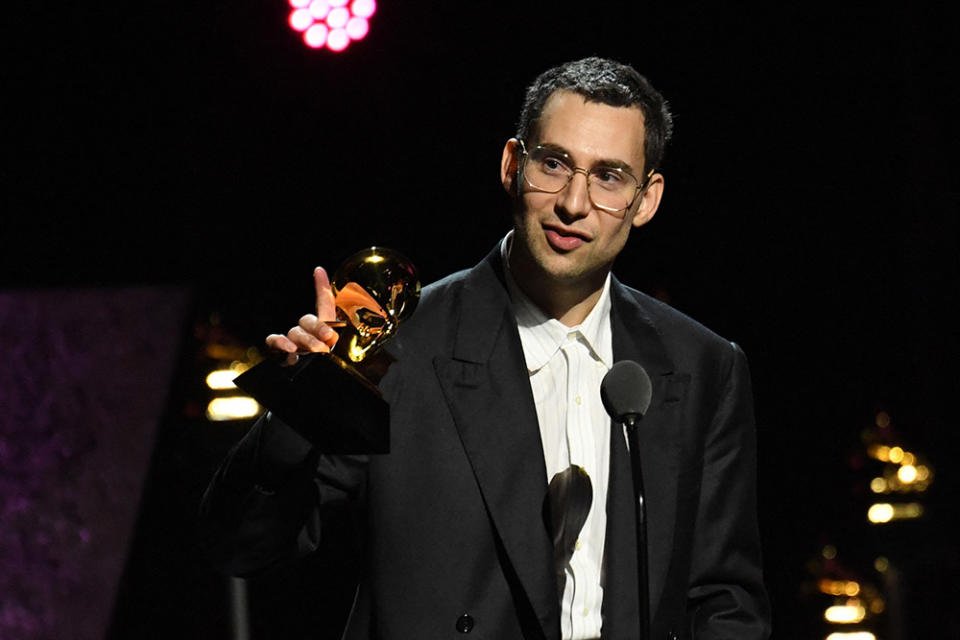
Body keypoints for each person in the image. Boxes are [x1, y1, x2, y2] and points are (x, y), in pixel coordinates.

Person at [201, 57, 771, 639]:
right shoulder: (401, 345)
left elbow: (725, 601)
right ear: (511, 165)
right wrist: (298, 407)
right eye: (554, 164)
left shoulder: (703, 366)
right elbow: (242, 549)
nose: (574, 203)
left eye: (608, 177)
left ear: (645, 200)